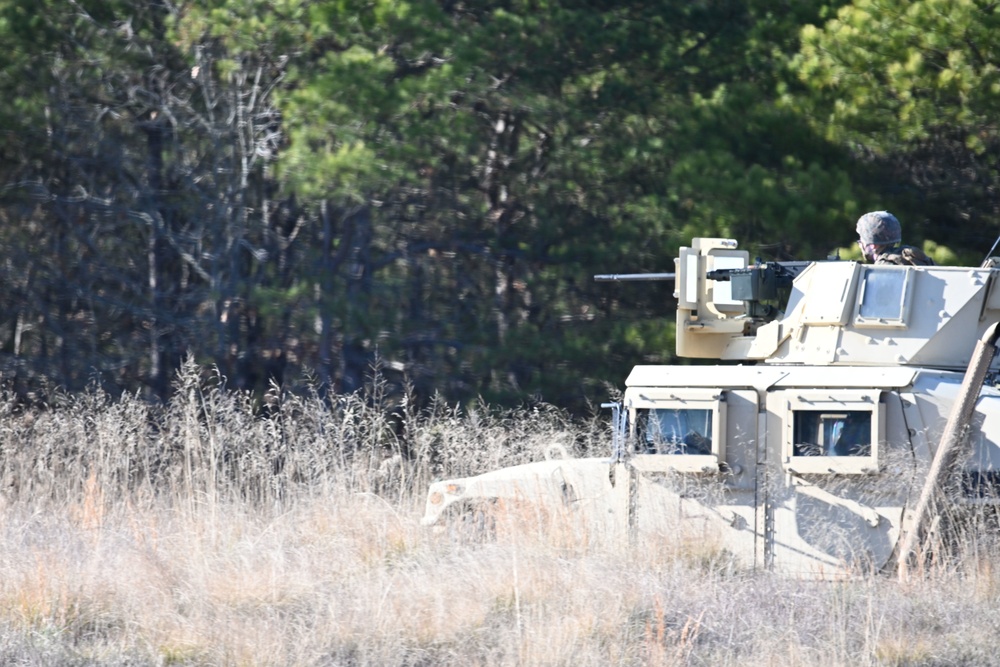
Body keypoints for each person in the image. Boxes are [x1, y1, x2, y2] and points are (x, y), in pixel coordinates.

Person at [855, 211, 935, 266]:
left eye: (861, 240)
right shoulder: (911, 258)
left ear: (873, 245)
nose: (859, 244)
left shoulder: (883, 267)